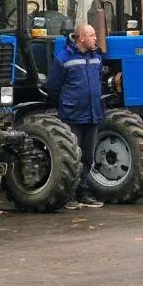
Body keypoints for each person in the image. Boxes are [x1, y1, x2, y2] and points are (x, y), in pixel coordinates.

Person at [46, 23, 105, 210]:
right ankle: (69, 195)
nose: (96, 38)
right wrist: (65, 105)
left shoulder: (96, 58)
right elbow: (53, 87)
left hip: (92, 114)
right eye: (92, 35)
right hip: (72, 116)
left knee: (88, 157)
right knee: (71, 157)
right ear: (81, 38)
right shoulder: (63, 58)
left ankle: (84, 193)